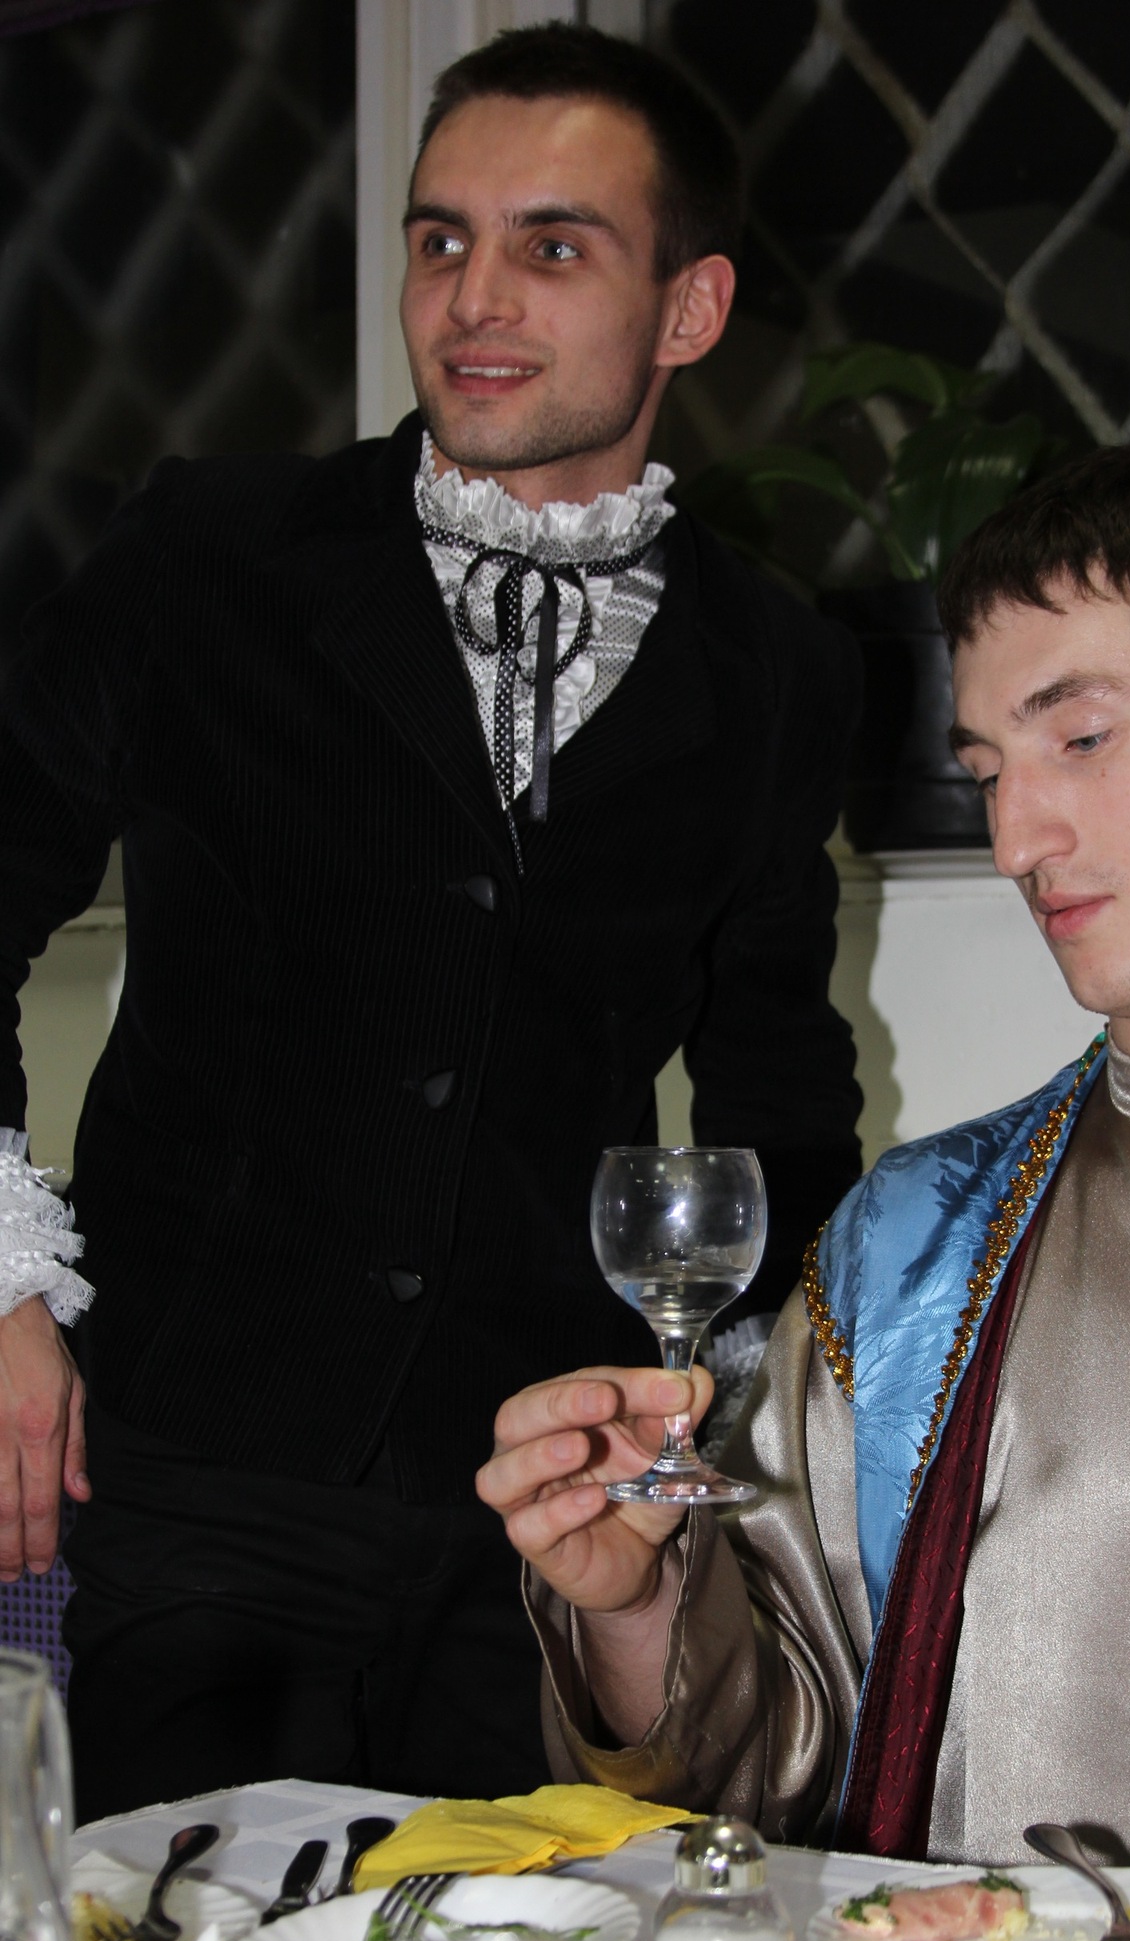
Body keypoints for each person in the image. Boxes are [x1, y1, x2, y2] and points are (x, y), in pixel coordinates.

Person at [0, 23, 862, 1820]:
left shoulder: (776, 663)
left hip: (544, 1509)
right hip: (204, 1473)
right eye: (439, 238)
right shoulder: (209, 552)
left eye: (552, 246)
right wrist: (4, 1286)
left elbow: (783, 1090)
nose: (473, 297)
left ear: (689, 309)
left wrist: (707, 1403)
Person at [481, 442, 1130, 1887]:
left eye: (1081, 740)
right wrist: (634, 1607)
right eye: (988, 770)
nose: (1017, 837)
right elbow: (768, 1781)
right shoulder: (915, 1246)